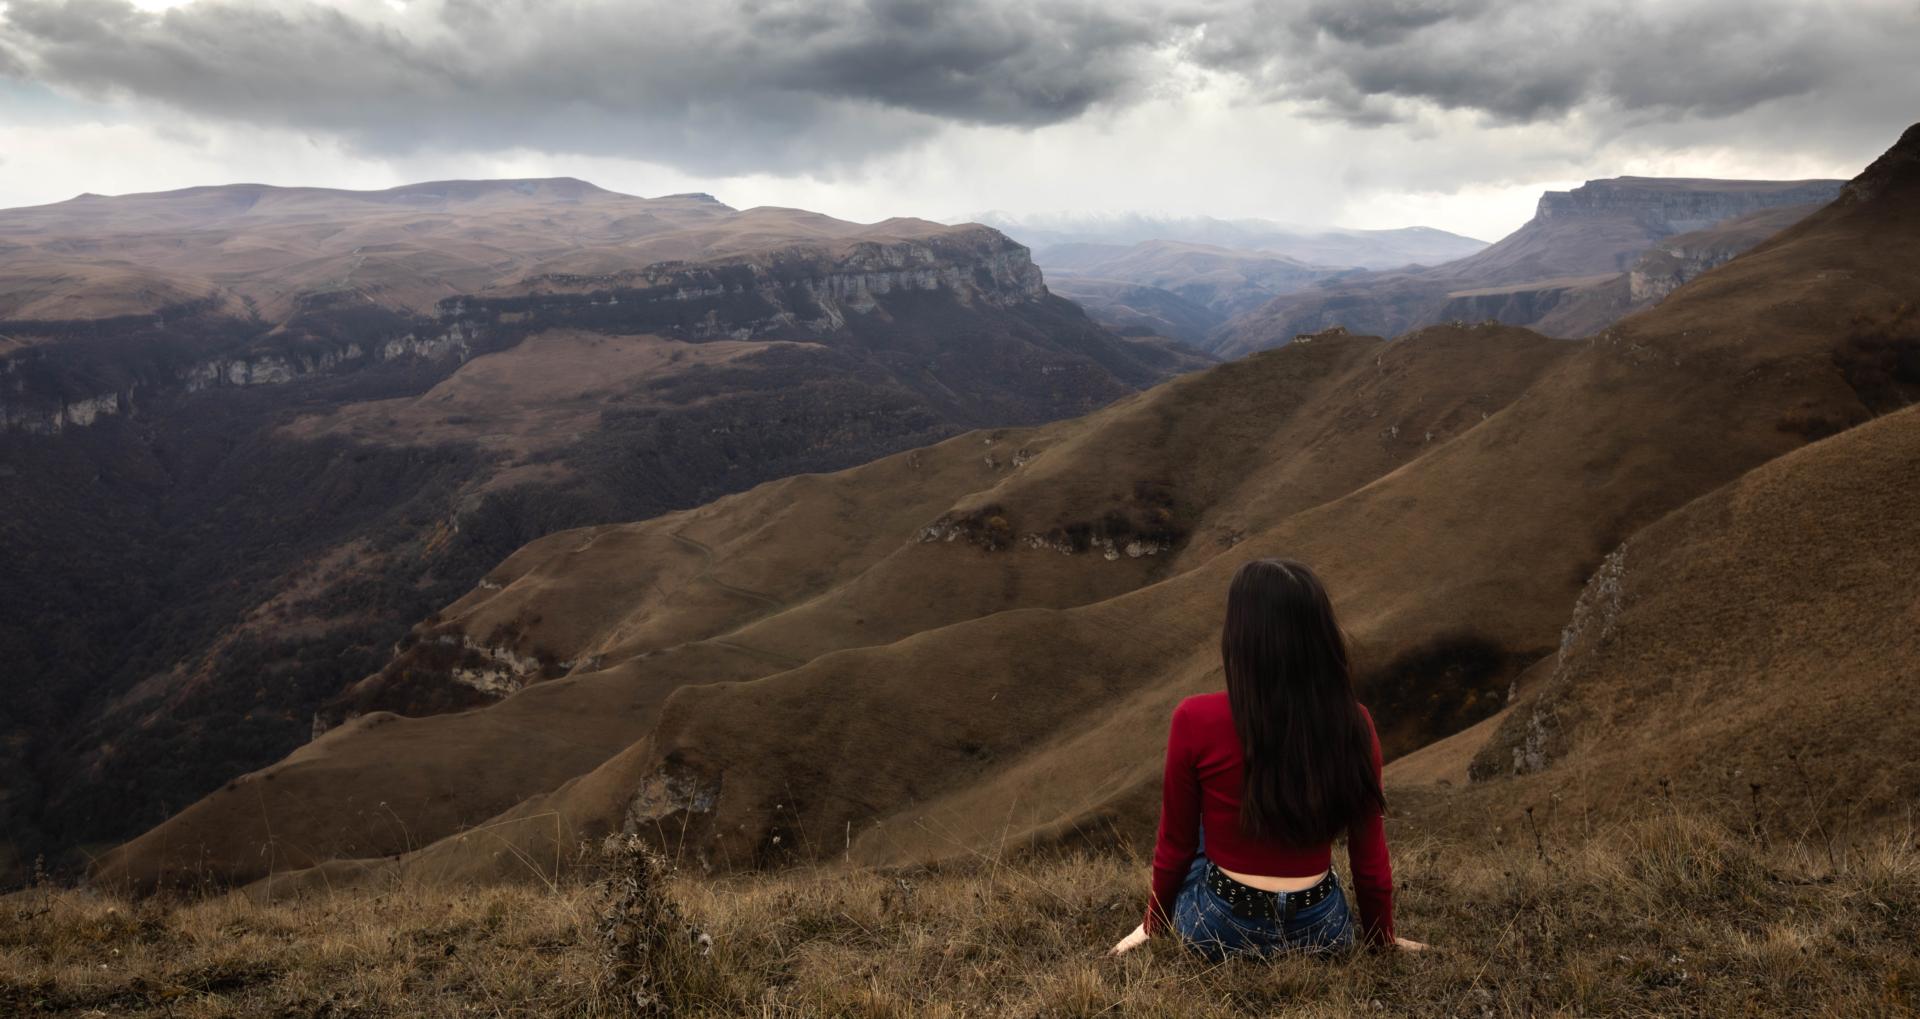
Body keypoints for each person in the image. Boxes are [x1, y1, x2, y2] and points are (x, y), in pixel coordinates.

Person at [1109, 558, 1425, 959]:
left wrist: (1153, 926)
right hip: (1322, 930)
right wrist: (1382, 938)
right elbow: (1369, 857)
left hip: (1219, 926)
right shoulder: (1354, 723)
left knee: (1201, 830)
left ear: (1240, 636)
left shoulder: (1194, 718)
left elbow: (1176, 846)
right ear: (1320, 635)